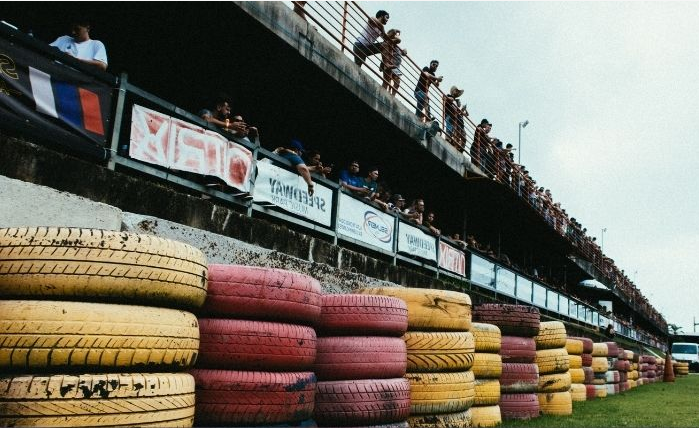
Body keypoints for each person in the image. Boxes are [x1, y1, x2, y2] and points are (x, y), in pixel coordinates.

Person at [380, 29, 406, 96]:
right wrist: (395, 32)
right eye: (396, 34)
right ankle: (382, 94)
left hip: (396, 66)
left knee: (397, 82)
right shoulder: (390, 41)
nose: (397, 36)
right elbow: (398, 40)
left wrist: (403, 51)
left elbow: (401, 53)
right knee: (387, 81)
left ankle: (392, 96)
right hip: (390, 63)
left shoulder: (396, 45)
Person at [444, 86, 468, 151]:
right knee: (450, 130)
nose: (457, 92)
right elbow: (446, 98)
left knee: (461, 134)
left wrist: (462, 110)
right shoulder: (449, 96)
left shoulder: (456, 102)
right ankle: (448, 140)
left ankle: (459, 147)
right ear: (452, 91)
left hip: (455, 118)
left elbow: (458, 113)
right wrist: (453, 100)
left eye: (457, 91)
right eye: (456, 90)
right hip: (449, 116)